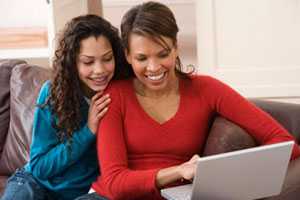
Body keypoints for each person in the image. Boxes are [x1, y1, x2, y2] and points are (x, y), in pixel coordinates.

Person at [88, 2, 300, 200]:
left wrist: (228, 173)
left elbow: (283, 141)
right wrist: (179, 171)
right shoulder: (114, 95)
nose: (153, 67)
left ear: (176, 47)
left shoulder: (206, 89)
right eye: (142, 58)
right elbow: (115, 182)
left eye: (162, 54)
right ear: (127, 55)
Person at [0, 14, 131, 200]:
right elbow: (39, 167)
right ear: (72, 62)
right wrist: (88, 131)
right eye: (88, 62)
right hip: (34, 183)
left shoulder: (120, 93)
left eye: (107, 59)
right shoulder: (54, 93)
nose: (100, 70)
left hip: (80, 193)